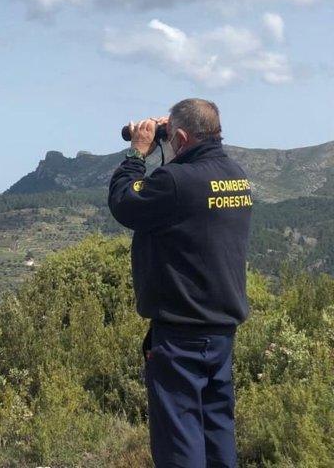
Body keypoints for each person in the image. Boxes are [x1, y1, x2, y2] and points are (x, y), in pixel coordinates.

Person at [108, 98, 252, 468]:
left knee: (179, 439)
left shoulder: (174, 181)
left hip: (180, 334)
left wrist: (137, 153)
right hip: (220, 330)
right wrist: (171, 144)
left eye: (171, 136)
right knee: (217, 431)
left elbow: (124, 203)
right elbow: (188, 195)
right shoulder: (236, 176)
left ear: (183, 136)